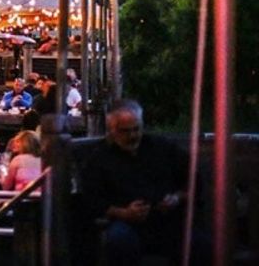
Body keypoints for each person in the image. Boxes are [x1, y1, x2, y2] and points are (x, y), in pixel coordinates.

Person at [81, 99, 203, 265]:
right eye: (125, 131)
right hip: (126, 224)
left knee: (199, 242)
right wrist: (123, 212)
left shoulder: (163, 148)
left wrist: (176, 198)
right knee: (119, 240)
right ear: (111, 130)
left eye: (136, 129)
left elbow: (193, 181)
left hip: (168, 220)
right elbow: (91, 200)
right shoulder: (99, 158)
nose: (132, 136)